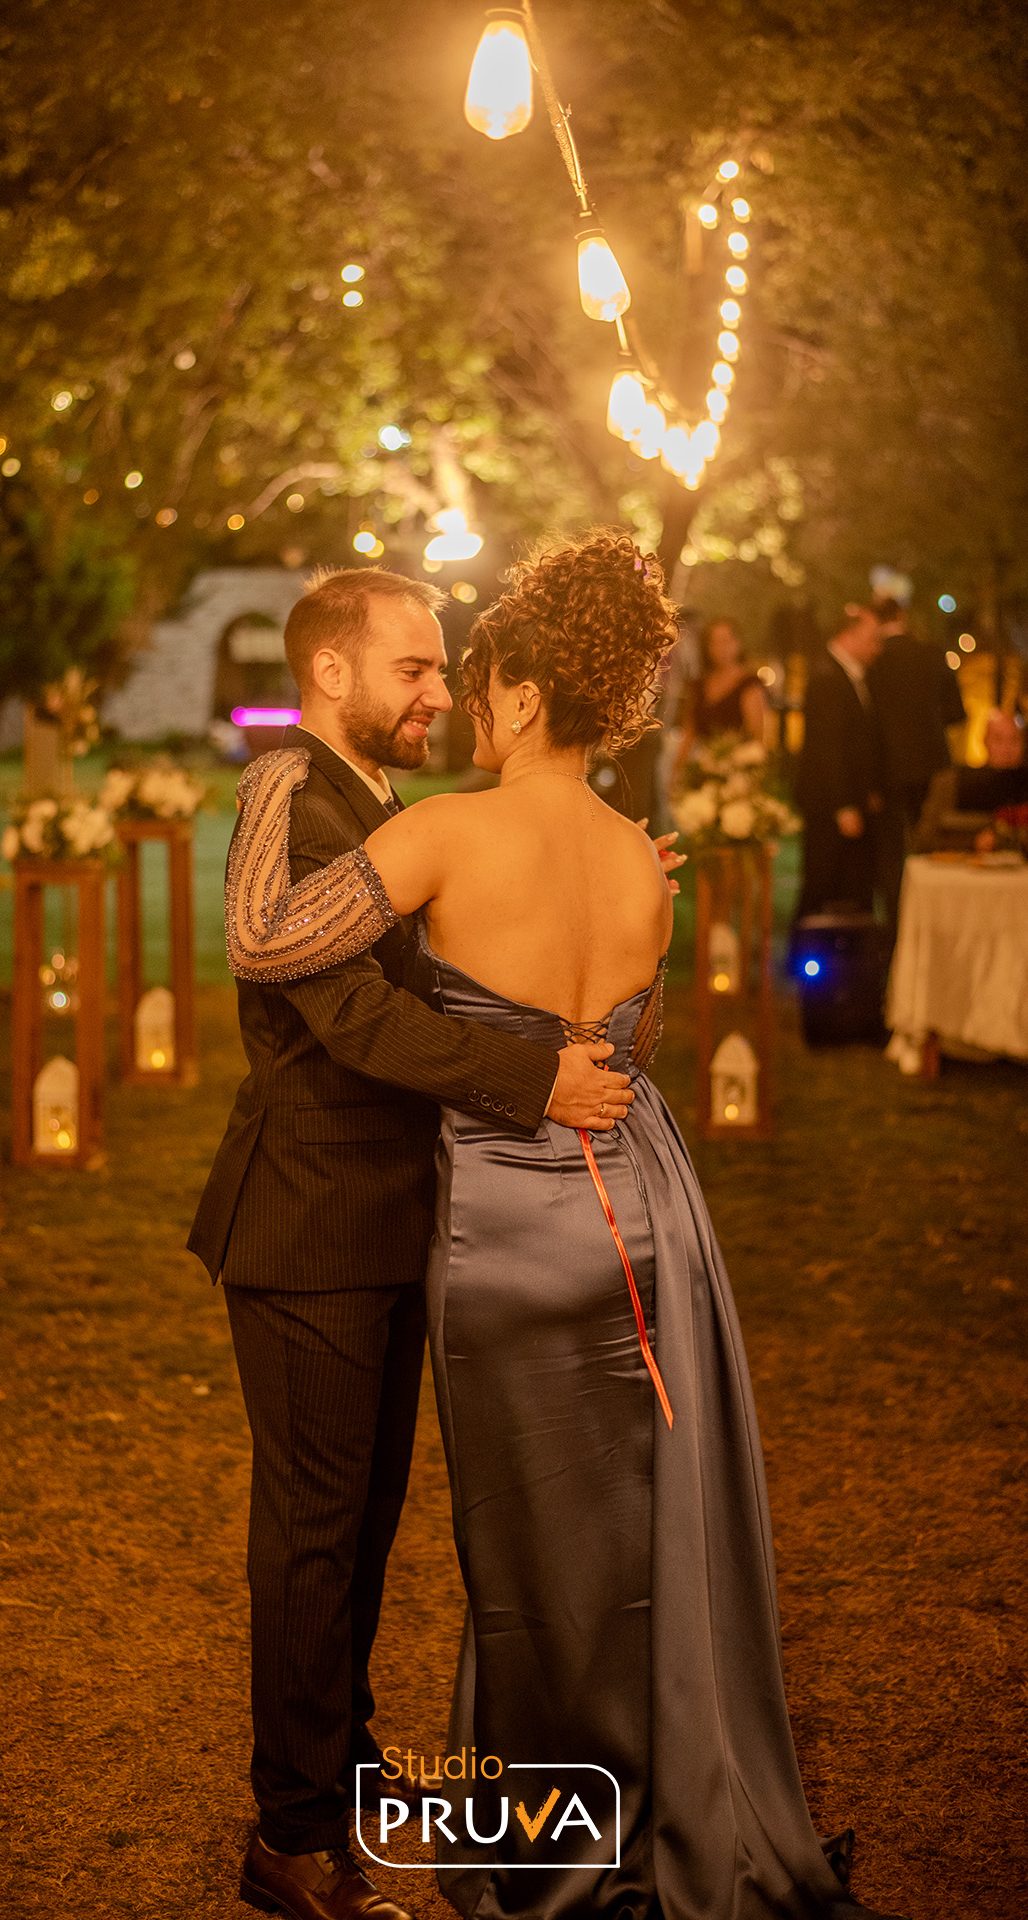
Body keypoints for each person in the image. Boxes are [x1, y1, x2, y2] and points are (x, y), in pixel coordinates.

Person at [229, 531, 906, 1920]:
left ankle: (550, 1836)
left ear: (528, 695)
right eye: (428, 673)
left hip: (507, 1224)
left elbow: (276, 939)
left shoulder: (443, 830)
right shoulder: (639, 860)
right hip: (641, 1204)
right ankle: (652, 1800)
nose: (457, 703)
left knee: (522, 1549)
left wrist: (273, 806)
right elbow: (627, 1044)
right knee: (637, 1521)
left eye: (471, 680)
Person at [188, 566, 633, 1920]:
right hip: (309, 1220)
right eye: (417, 667)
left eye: (444, 669)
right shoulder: (292, 791)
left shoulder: (382, 805)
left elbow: (433, 970)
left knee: (365, 1523)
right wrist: (532, 1082)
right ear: (331, 672)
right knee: (316, 1535)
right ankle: (293, 1837)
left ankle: (338, 1762)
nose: (442, 689)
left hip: (392, 1213)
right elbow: (354, 1016)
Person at [867, 596, 965, 918]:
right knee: (933, 843)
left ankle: (897, 922)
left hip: (888, 768)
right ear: (903, 615)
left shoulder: (874, 660)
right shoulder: (932, 653)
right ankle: (935, 916)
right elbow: (956, 712)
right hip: (932, 765)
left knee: (892, 853)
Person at [795, 604, 884, 920]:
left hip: (846, 800)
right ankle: (807, 945)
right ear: (849, 635)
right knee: (822, 883)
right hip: (829, 804)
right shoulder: (827, 677)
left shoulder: (850, 676)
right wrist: (843, 804)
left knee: (843, 885)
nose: (877, 647)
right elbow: (827, 746)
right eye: (872, 639)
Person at [914, 707, 1028, 851]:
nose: (1007, 749)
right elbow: (924, 839)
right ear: (985, 741)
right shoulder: (953, 782)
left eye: (1014, 740)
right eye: (998, 739)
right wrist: (972, 842)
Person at [674, 614, 769, 770]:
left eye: (725, 641)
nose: (721, 649)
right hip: (704, 766)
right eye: (714, 643)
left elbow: (757, 736)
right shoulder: (699, 685)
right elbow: (689, 732)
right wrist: (678, 769)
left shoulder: (748, 684)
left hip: (737, 769)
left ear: (737, 643)